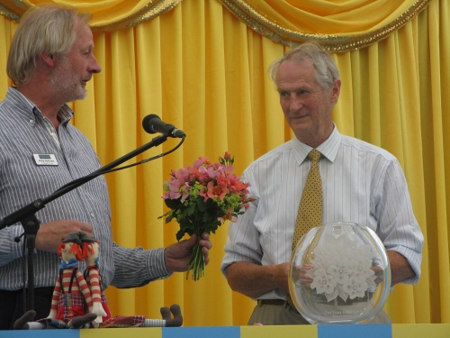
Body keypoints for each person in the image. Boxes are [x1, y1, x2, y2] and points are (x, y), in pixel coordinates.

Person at [0, 4, 212, 330]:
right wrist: (32, 238)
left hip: (91, 312)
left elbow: (100, 256)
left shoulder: (80, 143)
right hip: (21, 312)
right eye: (86, 53)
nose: (96, 67)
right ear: (49, 55)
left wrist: (163, 259)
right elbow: (38, 240)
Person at [220, 42, 424, 325]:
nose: (293, 105)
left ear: (334, 91)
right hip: (276, 318)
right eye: (284, 94)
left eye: (303, 92)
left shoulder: (379, 165)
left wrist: (352, 273)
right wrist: (280, 275)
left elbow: (408, 254)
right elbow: (235, 271)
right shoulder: (257, 174)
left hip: (356, 315)